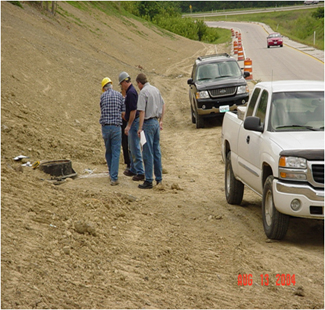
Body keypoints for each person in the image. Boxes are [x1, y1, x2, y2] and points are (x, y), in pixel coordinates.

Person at [136, 73, 166, 189]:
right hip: (155, 123)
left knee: (147, 153)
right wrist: (161, 120)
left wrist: (140, 128)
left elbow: (142, 111)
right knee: (157, 151)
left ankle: (148, 180)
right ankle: (159, 179)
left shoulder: (143, 92)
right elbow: (163, 105)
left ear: (139, 83)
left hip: (148, 124)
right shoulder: (155, 89)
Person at [119, 71, 145, 181]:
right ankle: (134, 169)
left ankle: (140, 172)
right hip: (133, 122)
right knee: (131, 147)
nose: (121, 87)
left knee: (135, 148)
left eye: (121, 84)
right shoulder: (131, 91)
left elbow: (134, 111)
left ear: (125, 82)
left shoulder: (131, 93)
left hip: (134, 123)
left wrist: (128, 125)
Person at [99, 77, 125, 186]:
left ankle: (111, 173)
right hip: (116, 127)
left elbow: (102, 109)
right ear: (111, 85)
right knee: (116, 152)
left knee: (108, 151)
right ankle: (114, 178)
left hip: (105, 127)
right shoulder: (119, 96)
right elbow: (123, 112)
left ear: (104, 88)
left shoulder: (102, 96)